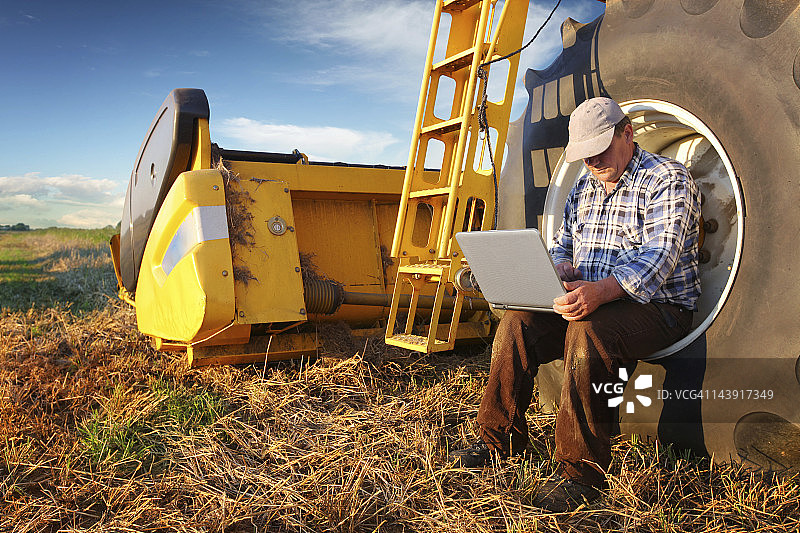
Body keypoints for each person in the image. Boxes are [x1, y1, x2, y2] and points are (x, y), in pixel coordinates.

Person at [448, 97, 701, 512]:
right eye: (585, 156)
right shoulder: (584, 186)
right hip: (594, 299)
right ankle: (497, 441)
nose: (594, 162)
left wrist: (599, 291)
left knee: (587, 330)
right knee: (516, 322)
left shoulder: (667, 179)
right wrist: (559, 269)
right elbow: (564, 244)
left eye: (601, 149)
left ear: (628, 133)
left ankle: (580, 473)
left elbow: (658, 259)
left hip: (660, 307)